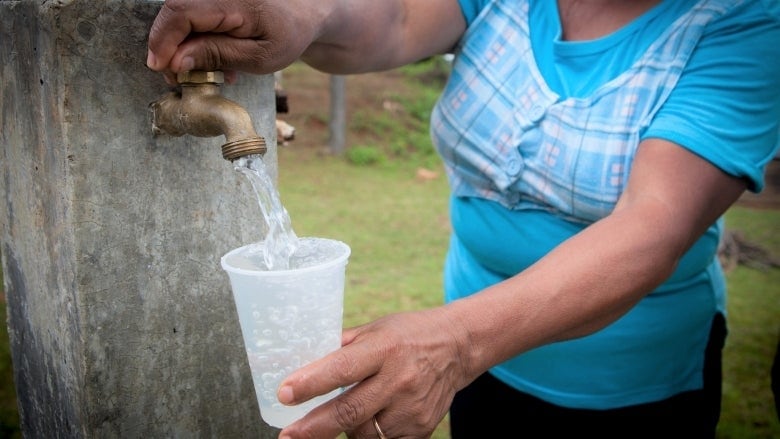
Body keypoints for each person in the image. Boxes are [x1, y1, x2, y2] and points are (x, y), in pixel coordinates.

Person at [147, 1, 780, 437]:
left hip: (631, 387)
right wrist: (297, 14)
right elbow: (394, 19)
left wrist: (455, 343)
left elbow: (652, 226)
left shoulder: (745, 23)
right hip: (484, 364)